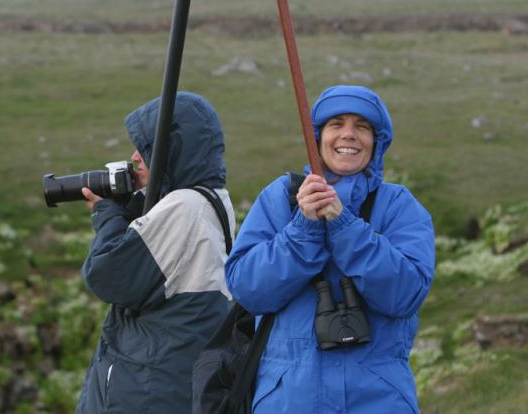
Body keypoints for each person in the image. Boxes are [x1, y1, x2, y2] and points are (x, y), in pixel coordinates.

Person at [225, 85, 435, 413]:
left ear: (377, 142)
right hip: (288, 401)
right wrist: (303, 229)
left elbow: (405, 294)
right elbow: (248, 291)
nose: (348, 135)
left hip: (379, 402)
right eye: (336, 124)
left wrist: (343, 226)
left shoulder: (398, 205)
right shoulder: (280, 198)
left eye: (362, 127)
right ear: (317, 137)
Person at [75, 92, 236, 414]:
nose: (135, 157)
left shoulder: (185, 205)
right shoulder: (211, 199)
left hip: (150, 386)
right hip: (169, 381)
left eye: (146, 148)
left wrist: (107, 215)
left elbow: (108, 276)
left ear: (173, 149)